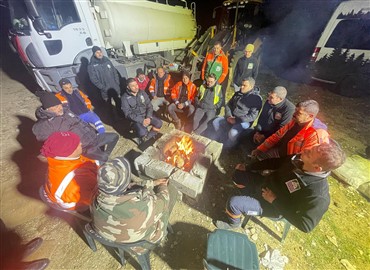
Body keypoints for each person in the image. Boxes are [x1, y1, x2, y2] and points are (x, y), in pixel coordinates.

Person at [215, 140, 346, 233]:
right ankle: (247, 197)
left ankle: (233, 224)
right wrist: (248, 167)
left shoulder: (318, 195)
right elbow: (275, 163)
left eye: (309, 153)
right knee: (238, 175)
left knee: (233, 203)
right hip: (265, 185)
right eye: (311, 149)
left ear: (317, 168)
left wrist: (275, 201)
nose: (305, 150)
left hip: (273, 206)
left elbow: (306, 225)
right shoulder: (298, 159)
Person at [91, 157, 178, 252]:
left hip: (109, 236)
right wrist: (163, 186)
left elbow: (127, 187)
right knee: (171, 193)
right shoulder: (142, 207)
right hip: (140, 243)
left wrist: (151, 183)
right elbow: (163, 201)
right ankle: (164, 232)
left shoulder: (95, 195)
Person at [32, 92, 119, 162]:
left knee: (114, 137)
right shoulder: (46, 124)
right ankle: (102, 160)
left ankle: (104, 154)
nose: (59, 108)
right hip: (84, 147)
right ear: (47, 110)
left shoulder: (66, 111)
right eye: (55, 107)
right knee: (104, 158)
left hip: (93, 137)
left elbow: (80, 122)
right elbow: (47, 144)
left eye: (59, 105)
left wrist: (93, 131)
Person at [251, 100, 329, 160]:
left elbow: (306, 159)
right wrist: (260, 149)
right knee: (258, 158)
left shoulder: (315, 134)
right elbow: (276, 136)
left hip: (292, 161)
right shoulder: (294, 122)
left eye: (299, 113)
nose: (294, 114)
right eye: (295, 110)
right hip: (280, 152)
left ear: (310, 116)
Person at [41, 131, 98, 210]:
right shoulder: (77, 180)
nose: (81, 143)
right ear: (70, 152)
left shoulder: (57, 160)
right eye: (77, 144)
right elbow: (96, 198)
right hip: (78, 202)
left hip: (60, 192)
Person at [242, 86, 295, 154]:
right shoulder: (268, 102)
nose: (268, 98)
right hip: (262, 131)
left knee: (262, 149)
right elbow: (262, 117)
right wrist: (258, 132)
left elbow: (281, 129)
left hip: (274, 136)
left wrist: (264, 136)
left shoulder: (289, 109)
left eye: (271, 97)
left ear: (280, 99)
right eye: (268, 95)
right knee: (243, 136)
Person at [212, 77, 262, 148]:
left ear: (251, 87)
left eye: (244, 85)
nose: (241, 87)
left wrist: (236, 120)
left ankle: (230, 146)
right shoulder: (238, 94)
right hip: (232, 117)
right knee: (216, 122)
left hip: (244, 121)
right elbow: (228, 105)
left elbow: (252, 116)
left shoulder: (256, 99)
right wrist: (229, 116)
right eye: (241, 84)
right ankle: (222, 139)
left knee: (233, 133)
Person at [121, 78, 163, 143]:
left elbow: (149, 106)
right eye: (133, 86)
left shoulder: (142, 93)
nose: (136, 87)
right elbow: (127, 114)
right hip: (136, 119)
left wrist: (148, 117)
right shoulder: (124, 98)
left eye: (136, 85)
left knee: (159, 123)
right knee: (142, 132)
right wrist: (141, 120)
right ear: (128, 87)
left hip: (146, 115)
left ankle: (148, 136)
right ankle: (143, 136)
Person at [201, 41, 228, 107]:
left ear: (221, 48)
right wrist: (203, 76)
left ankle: (214, 109)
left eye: (218, 48)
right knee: (203, 94)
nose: (216, 50)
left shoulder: (224, 58)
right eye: (215, 48)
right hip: (206, 79)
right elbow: (204, 67)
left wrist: (219, 81)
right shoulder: (209, 55)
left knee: (214, 96)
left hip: (216, 81)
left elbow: (225, 71)